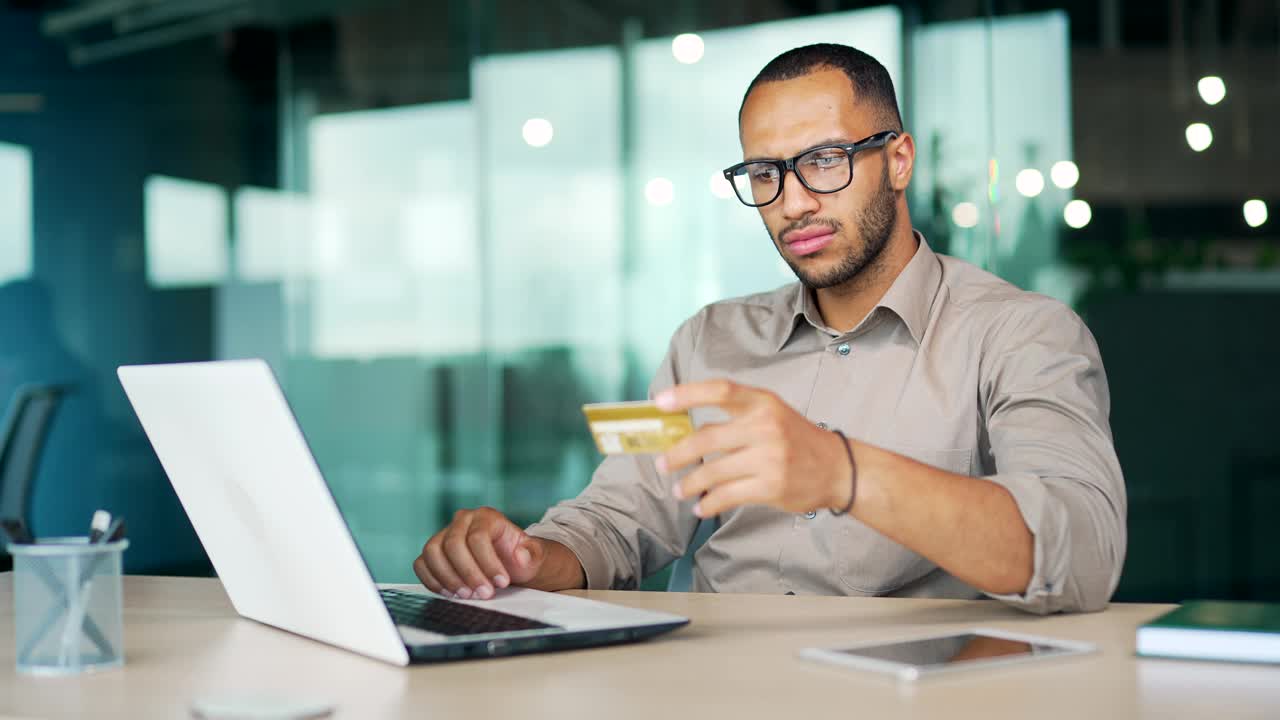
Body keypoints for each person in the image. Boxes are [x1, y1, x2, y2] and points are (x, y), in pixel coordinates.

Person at [412, 43, 1126, 614]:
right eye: (765, 173)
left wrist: (841, 472)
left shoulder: (1022, 334)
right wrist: (527, 558)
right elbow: (618, 517)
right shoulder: (710, 341)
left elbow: (1082, 555)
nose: (793, 203)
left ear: (899, 159)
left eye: (825, 161)